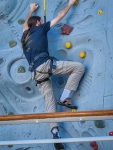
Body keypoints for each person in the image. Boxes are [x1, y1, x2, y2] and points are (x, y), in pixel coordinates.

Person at [21, 0, 84, 149]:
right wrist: (69, 3)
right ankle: (64, 97)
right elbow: (60, 15)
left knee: (49, 101)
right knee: (79, 67)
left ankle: (55, 132)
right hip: (45, 65)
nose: (42, 22)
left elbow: (24, 25)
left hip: (35, 74)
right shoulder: (40, 28)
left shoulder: (24, 37)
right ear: (37, 23)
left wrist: (30, 10)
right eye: (41, 21)